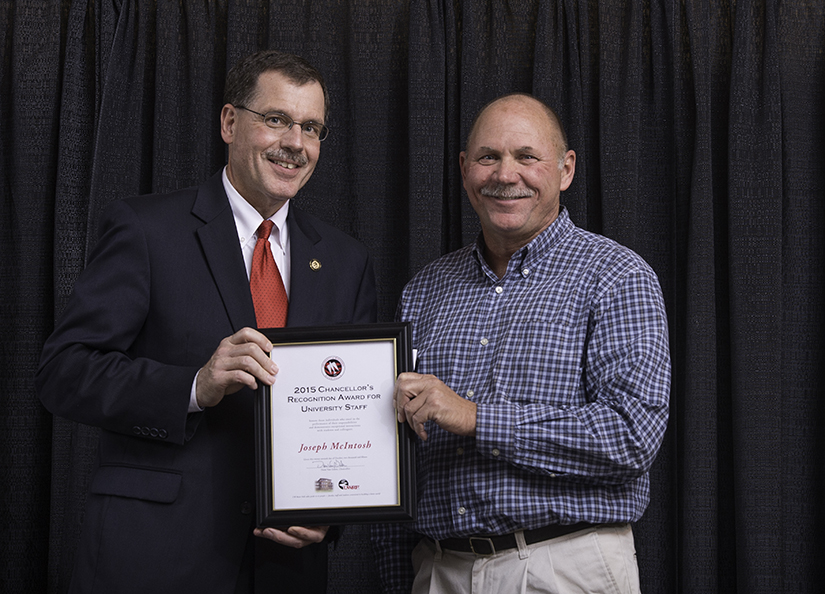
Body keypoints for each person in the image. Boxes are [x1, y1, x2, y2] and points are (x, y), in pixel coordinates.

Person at [36, 50, 377, 594]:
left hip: (284, 568)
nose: (295, 143)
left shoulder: (344, 259)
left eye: (311, 127)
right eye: (276, 120)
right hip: (155, 556)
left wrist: (332, 512)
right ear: (229, 122)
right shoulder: (146, 230)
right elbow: (63, 372)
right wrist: (195, 386)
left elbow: (352, 411)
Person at [371, 93, 670, 593]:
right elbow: (392, 450)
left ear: (565, 169)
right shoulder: (424, 291)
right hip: (439, 569)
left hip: (565, 567)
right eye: (488, 157)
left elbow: (630, 435)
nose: (505, 174)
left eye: (527, 156)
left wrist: (476, 417)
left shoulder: (617, 276)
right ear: (466, 170)